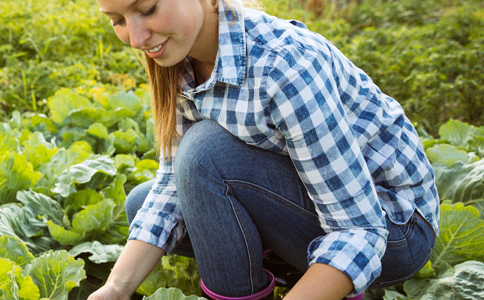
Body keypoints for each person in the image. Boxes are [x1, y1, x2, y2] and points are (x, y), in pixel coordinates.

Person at [88, 0, 439, 299]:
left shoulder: (284, 65)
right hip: (312, 206)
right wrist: (115, 289)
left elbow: (361, 230)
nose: (135, 38)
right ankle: (292, 270)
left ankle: (310, 279)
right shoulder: (176, 55)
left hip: (392, 230)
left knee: (203, 153)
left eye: (147, 9)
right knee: (142, 202)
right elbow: (169, 186)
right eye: (117, 20)